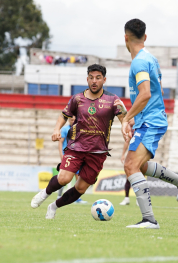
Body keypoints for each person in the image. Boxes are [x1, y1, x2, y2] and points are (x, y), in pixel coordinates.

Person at [121, 19, 178, 229]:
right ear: (145, 37)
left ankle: (149, 220)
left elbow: (145, 94)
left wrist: (127, 118)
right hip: (150, 119)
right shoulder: (151, 59)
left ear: (125, 37)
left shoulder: (138, 62)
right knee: (140, 166)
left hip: (151, 121)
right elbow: (158, 91)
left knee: (130, 165)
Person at [31, 64, 126, 219]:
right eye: (91, 77)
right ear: (87, 79)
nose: (94, 81)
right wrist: (56, 129)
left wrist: (125, 126)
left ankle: (54, 206)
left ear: (104, 79)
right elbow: (64, 115)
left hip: (98, 152)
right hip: (76, 147)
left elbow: (125, 119)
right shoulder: (77, 98)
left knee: (80, 188)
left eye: (98, 78)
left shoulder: (113, 100)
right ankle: (45, 193)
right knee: (64, 178)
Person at [58, 117, 86, 204]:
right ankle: (59, 195)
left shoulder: (79, 129)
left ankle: (76, 198)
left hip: (77, 155)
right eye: (71, 119)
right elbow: (60, 142)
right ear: (69, 120)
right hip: (67, 155)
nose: (72, 121)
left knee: (78, 176)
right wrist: (61, 155)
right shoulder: (65, 129)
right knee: (64, 177)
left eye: (74, 119)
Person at [119, 119, 135, 206]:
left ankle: (139, 199)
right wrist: (123, 154)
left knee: (140, 178)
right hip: (131, 155)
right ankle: (126, 198)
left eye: (131, 119)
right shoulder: (131, 130)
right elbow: (127, 141)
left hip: (140, 155)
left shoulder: (141, 128)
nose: (129, 121)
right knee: (129, 176)